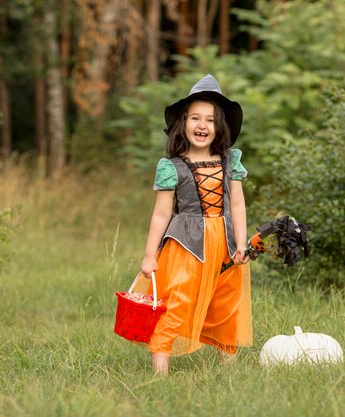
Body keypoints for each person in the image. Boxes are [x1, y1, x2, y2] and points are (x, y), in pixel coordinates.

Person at [139, 74, 253, 374]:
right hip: (187, 244)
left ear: (220, 127)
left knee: (226, 304)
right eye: (195, 118)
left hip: (225, 243)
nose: (202, 126)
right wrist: (150, 255)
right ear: (183, 123)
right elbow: (161, 215)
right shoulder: (171, 167)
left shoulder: (230, 162)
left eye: (210, 120)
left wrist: (241, 243)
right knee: (178, 301)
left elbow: (237, 205)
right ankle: (160, 369)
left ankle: (228, 369)